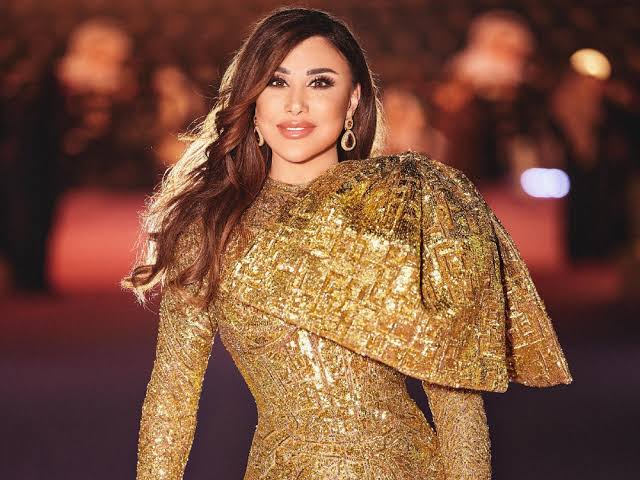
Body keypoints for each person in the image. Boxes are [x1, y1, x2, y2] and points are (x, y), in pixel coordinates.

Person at [123, 7, 572, 479]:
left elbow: (456, 399)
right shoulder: (208, 229)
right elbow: (172, 396)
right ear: (252, 100)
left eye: (320, 83)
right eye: (276, 82)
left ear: (354, 99)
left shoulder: (407, 208)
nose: (296, 105)